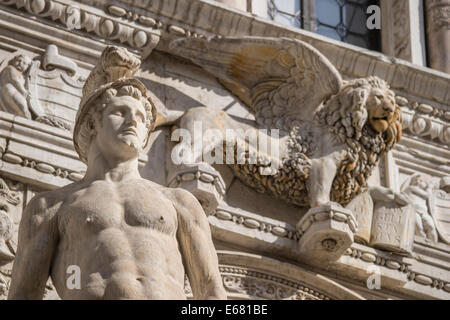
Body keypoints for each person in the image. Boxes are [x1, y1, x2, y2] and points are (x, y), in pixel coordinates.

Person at [7, 46, 227, 300]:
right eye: (120, 112)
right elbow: (23, 294)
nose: (133, 121)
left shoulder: (179, 201)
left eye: (142, 117)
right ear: (91, 124)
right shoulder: (50, 206)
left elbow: (211, 291)